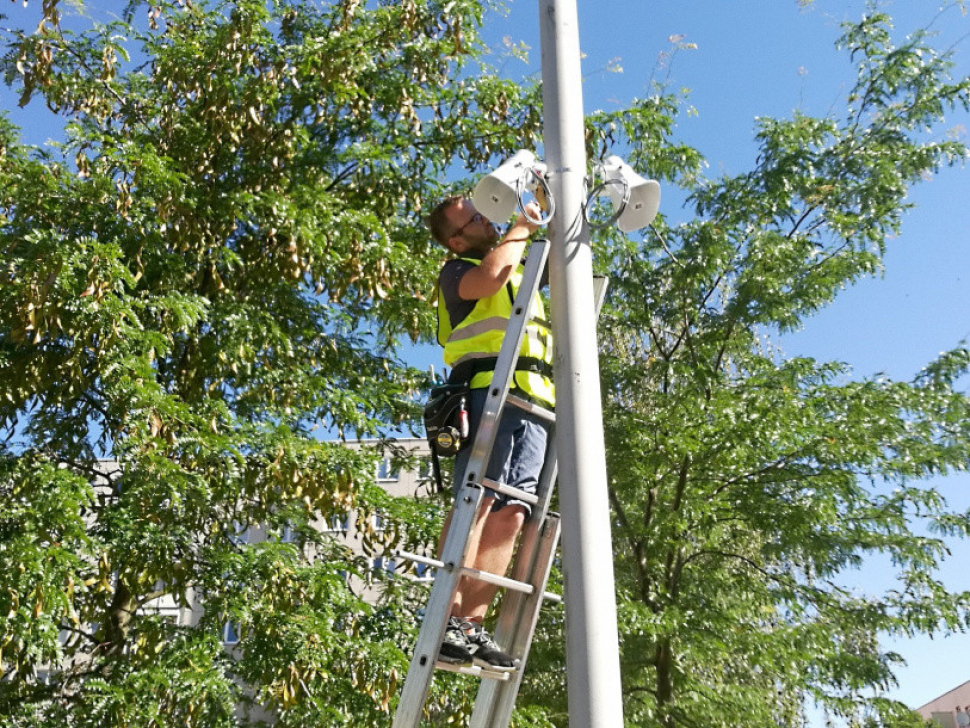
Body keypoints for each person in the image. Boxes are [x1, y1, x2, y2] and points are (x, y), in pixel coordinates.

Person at [425, 195, 554, 671]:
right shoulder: (456, 271)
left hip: (533, 400)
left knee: (513, 512)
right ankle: (443, 621)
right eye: (474, 219)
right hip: (487, 394)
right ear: (457, 239)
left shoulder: (520, 265)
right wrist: (525, 222)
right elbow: (491, 278)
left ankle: (471, 627)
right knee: (476, 501)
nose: (486, 219)